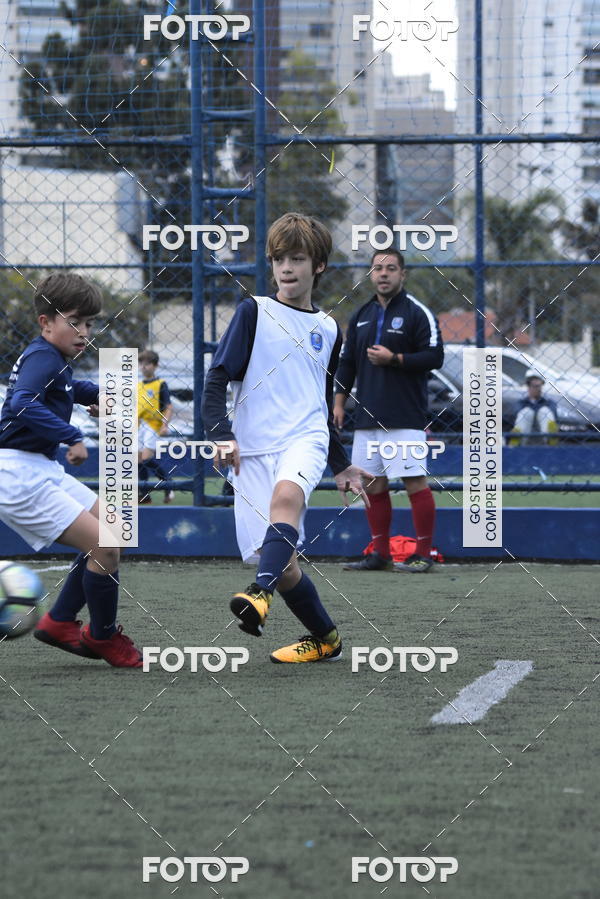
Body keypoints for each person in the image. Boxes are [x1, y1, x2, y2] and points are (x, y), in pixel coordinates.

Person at [202, 212, 369, 663]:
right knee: (283, 562)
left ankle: (259, 593)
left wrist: (340, 463)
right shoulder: (253, 311)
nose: (286, 268)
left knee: (286, 503)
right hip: (252, 448)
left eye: (297, 258)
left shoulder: (330, 329)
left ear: (318, 266)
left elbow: (319, 401)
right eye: (279, 259)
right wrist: (221, 433)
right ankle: (327, 640)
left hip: (305, 437)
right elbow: (217, 379)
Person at [0, 271, 142, 666]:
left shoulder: (52, 358)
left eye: (90, 323)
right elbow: (22, 403)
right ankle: (103, 637)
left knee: (115, 529)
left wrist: (100, 395)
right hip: (17, 477)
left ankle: (60, 621)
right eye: (75, 322)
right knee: (107, 545)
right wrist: (71, 436)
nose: (85, 331)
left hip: (36, 469)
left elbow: (65, 389)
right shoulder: (44, 358)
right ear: (46, 322)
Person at [334, 249, 444, 574]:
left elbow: (434, 356)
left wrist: (395, 359)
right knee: (373, 486)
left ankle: (422, 554)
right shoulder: (360, 315)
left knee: (414, 483)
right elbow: (347, 362)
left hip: (404, 417)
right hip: (366, 420)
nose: (384, 274)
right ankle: (380, 553)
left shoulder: (417, 313)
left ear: (402, 274)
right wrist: (339, 404)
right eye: (378, 268)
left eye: (391, 268)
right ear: (371, 274)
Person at [137, 349, 174, 503]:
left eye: (148, 363)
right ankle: (145, 494)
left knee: (146, 459)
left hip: (153, 425)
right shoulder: (138, 385)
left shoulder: (160, 384)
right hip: (140, 426)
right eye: (141, 363)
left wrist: (165, 424)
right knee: (137, 461)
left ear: (155, 365)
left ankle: (168, 484)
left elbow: (169, 406)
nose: (144, 367)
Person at [510, 370, 558, 445]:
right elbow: (515, 415)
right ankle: (516, 440)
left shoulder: (548, 402)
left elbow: (554, 414)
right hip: (526, 432)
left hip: (542, 431)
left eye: (539, 386)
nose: (538, 389)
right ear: (528, 387)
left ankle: (551, 438)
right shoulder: (521, 403)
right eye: (534, 386)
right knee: (527, 412)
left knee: (544, 411)